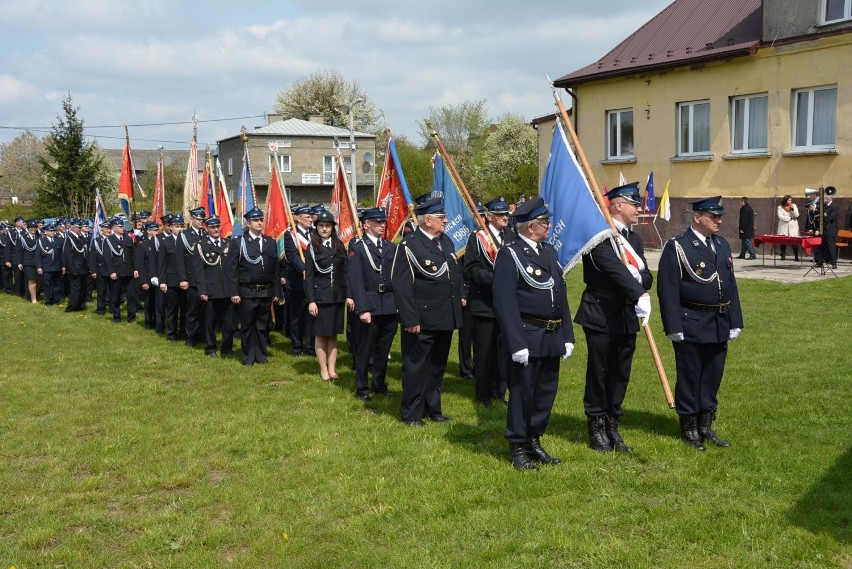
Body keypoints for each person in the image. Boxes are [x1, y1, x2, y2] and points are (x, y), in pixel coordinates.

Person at [493, 197, 574, 471]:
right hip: (527, 334)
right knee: (523, 393)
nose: (549, 226)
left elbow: (560, 295)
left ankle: (534, 439)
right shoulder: (510, 254)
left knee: (545, 393)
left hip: (551, 336)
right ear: (530, 227)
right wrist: (516, 343)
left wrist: (568, 334)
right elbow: (504, 302)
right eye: (545, 222)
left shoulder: (548, 251)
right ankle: (517, 444)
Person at [657, 196, 743, 451]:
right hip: (691, 322)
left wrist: (735, 319)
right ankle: (689, 426)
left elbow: (731, 286)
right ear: (697, 218)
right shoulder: (678, 246)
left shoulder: (722, 245)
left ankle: (706, 424)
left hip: (718, 321)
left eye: (720, 216)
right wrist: (673, 327)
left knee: (712, 375)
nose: (719, 220)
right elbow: (668, 290)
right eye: (713, 216)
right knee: (691, 376)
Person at [391, 197, 464, 426]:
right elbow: (401, 285)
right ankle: (412, 412)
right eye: (442, 217)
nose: (446, 220)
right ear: (428, 220)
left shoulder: (446, 242)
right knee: (416, 367)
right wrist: (410, 318)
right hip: (421, 317)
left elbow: (454, 275)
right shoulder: (410, 244)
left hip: (444, 315)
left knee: (437, 365)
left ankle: (433, 408)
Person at [463, 197, 516, 407]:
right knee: (485, 351)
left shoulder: (511, 236)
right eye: (500, 215)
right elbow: (471, 269)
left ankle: (499, 390)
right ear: (489, 217)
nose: (505, 218)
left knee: (503, 350)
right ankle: (483, 394)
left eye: (506, 214)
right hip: (485, 303)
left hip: (507, 305)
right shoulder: (477, 238)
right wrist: (495, 279)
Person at [347, 207, 398, 401]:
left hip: (389, 304)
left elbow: (396, 277)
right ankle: (362, 388)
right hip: (370, 304)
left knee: (383, 349)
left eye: (383, 222)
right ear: (366, 224)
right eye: (377, 222)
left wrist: (398, 304)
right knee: (365, 349)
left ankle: (379, 383)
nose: (382, 225)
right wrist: (363, 308)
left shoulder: (390, 247)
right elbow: (356, 281)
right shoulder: (358, 248)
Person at [227, 208, 281, 366]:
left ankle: (261, 355)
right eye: (256, 220)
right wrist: (234, 292)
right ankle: (248, 356)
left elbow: (275, 269)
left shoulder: (269, 242)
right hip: (247, 291)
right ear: (248, 223)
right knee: (248, 325)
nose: (259, 222)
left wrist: (277, 291)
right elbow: (232, 270)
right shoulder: (239, 242)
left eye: (261, 219)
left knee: (263, 325)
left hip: (265, 290)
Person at [305, 211, 351, 381]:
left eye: (328, 226)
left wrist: (348, 294)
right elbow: (309, 276)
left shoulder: (339, 245)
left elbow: (345, 272)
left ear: (333, 227)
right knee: (321, 334)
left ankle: (332, 369)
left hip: (337, 297)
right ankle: (323, 369)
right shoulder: (312, 247)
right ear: (316, 228)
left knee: (333, 334)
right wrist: (311, 301)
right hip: (320, 297)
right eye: (321, 226)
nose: (324, 229)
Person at [193, 216, 237, 358]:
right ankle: (211, 347)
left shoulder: (228, 243)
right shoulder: (201, 245)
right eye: (212, 227)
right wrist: (202, 290)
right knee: (210, 322)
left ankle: (227, 347)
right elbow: (199, 271)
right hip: (211, 290)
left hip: (227, 290)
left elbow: (233, 269)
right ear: (206, 228)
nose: (216, 229)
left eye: (218, 226)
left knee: (228, 322)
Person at [283, 205, 315, 356]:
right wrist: (304, 269)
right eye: (307, 216)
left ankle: (310, 346)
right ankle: (296, 346)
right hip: (296, 281)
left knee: (311, 315)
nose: (310, 219)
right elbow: (291, 255)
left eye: (311, 216)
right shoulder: (290, 234)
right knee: (296, 316)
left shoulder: (315, 233)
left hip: (313, 281)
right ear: (297, 218)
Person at [158, 214, 189, 341]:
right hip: (171, 281)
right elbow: (162, 263)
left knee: (185, 309)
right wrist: (162, 281)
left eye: (182, 226)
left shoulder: (187, 241)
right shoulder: (165, 242)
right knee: (172, 309)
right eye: (177, 226)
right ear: (171, 228)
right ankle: (171, 334)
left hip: (186, 280)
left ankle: (183, 332)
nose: (180, 229)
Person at [104, 217, 138, 323]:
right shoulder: (109, 240)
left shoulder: (128, 239)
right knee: (115, 296)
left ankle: (131, 316)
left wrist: (136, 269)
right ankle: (116, 316)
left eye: (122, 226)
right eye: (119, 226)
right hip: (117, 272)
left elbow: (134, 255)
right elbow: (107, 258)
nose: (122, 228)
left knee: (131, 296)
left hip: (129, 272)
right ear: (114, 228)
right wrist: (111, 271)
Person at [62, 218, 90, 312]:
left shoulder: (80, 237)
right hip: (75, 267)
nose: (80, 229)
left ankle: (80, 305)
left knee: (83, 287)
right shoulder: (69, 238)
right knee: (75, 288)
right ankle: (72, 307)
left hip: (83, 267)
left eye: (80, 227)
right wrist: (72, 269)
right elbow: (68, 255)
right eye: (78, 227)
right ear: (73, 228)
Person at [36, 223, 64, 306]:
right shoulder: (41, 241)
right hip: (46, 266)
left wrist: (63, 266)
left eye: (54, 230)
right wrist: (39, 267)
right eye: (50, 231)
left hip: (57, 266)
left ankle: (55, 299)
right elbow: (38, 255)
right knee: (47, 284)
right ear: (45, 232)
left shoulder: (58, 240)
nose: (53, 232)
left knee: (57, 284)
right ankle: (48, 300)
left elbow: (62, 254)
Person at [15, 219, 40, 303]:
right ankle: (33, 299)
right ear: (28, 228)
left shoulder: (38, 237)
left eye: (35, 227)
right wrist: (19, 262)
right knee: (31, 279)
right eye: (31, 227)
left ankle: (32, 295)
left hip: (38, 262)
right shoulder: (22, 237)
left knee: (39, 280)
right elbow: (19, 251)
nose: (33, 229)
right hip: (27, 262)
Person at [776, 195, 800, 261]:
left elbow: (797, 215)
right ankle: (783, 255)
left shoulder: (794, 206)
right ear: (785, 200)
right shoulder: (780, 207)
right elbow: (780, 216)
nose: (790, 201)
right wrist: (790, 218)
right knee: (783, 240)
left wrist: (792, 209)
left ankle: (796, 256)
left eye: (791, 200)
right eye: (789, 200)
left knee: (794, 240)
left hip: (793, 226)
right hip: (783, 226)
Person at [820, 188, 839, 269]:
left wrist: (824, 215)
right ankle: (825, 260)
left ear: (828, 199)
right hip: (824, 230)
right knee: (825, 246)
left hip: (831, 230)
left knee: (831, 246)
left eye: (824, 198)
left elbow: (832, 217)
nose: (823, 200)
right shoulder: (824, 206)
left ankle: (833, 263)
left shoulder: (834, 206)